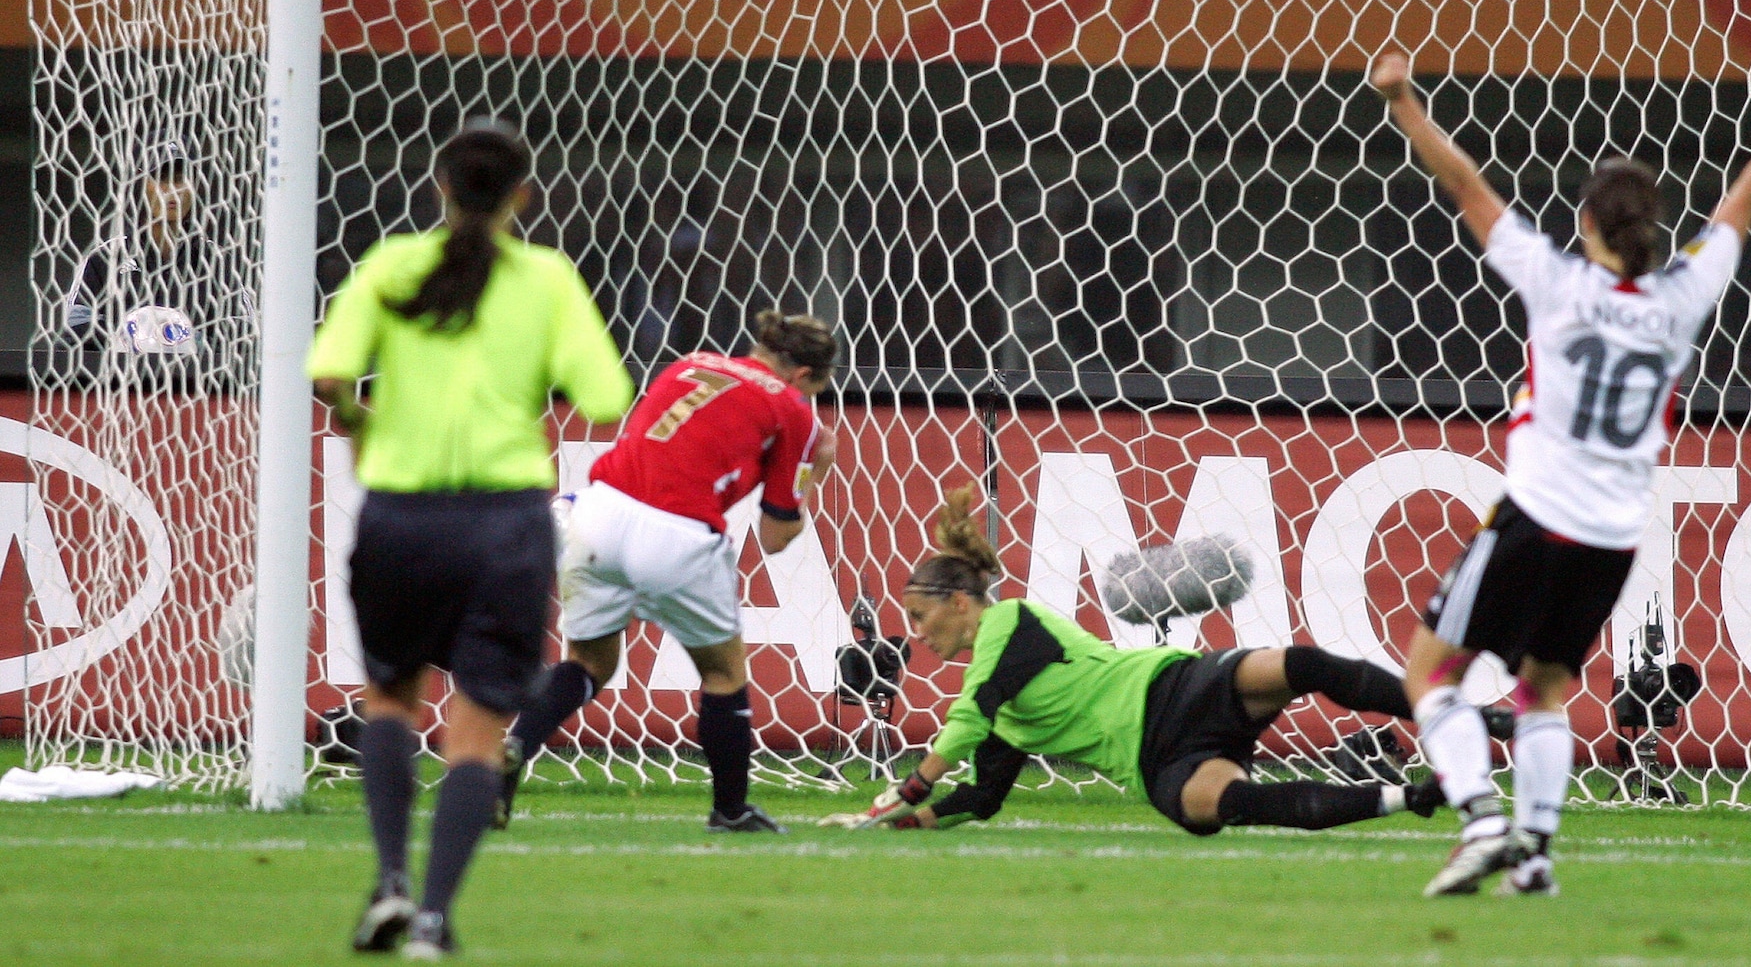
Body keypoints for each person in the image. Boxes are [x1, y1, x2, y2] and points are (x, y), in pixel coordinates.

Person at [1371, 51, 1751, 897]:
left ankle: (1482, 818)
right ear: (1655, 233)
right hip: (1613, 538)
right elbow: (1747, 193)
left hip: (1533, 517)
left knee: (1430, 675)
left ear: (1585, 221)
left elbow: (1468, 183)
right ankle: (1539, 852)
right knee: (1544, 691)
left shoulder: (1553, 282)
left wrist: (1404, 100)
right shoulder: (1681, 297)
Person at [309, 119, 634, 959]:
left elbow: (329, 375)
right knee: (478, 728)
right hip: (504, 524)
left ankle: (388, 882)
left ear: (439, 190)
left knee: (389, 697)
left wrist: (360, 420)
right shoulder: (546, 279)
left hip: (401, 517)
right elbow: (605, 395)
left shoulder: (390, 265)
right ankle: (434, 919)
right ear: (522, 196)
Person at [820, 486, 1506, 836]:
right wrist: (894, 823)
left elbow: (970, 716)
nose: (916, 633)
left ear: (963, 599)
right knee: (1217, 806)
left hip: (1175, 688)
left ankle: (1462, 712)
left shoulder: (1010, 622)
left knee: (1297, 664)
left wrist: (904, 788)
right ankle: (1408, 798)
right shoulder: (999, 706)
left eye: (920, 615)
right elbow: (979, 799)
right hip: (1158, 763)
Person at [501, 308, 840, 833]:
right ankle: (730, 810)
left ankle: (516, 744)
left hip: (594, 515)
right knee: (724, 673)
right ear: (801, 377)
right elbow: (775, 538)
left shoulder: (691, 363)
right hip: (676, 535)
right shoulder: (792, 407)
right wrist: (815, 470)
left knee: (589, 665)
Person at [62, 132, 254, 390]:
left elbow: (244, 337)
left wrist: (190, 341)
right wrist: (129, 336)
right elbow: (73, 331)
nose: (172, 191)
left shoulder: (219, 263)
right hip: (118, 392)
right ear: (142, 184)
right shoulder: (104, 259)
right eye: (161, 179)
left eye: (180, 180)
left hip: (198, 395)